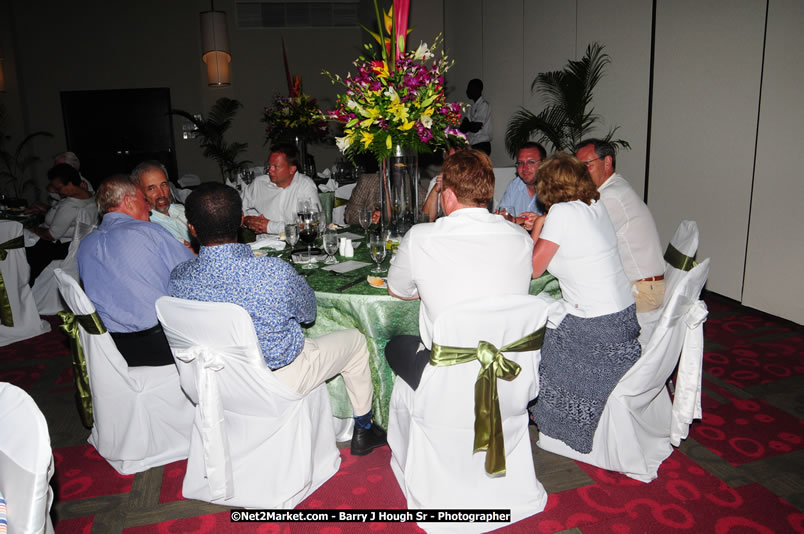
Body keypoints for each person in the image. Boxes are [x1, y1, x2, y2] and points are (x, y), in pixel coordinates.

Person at [170, 182, 387, 456]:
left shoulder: (179, 277)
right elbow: (309, 314)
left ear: (191, 228)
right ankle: (365, 429)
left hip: (212, 382)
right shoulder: (272, 271)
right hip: (275, 381)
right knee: (355, 342)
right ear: (240, 221)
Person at [385, 149, 533, 389]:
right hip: (510, 362)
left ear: (449, 195)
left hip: (449, 372)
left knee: (394, 346)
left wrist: (428, 287)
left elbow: (398, 290)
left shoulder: (421, 238)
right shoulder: (521, 238)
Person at [527, 153, 641, 454]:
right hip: (625, 319)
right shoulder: (595, 205)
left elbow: (533, 269)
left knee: (537, 336)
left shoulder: (562, 214)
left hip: (598, 332)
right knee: (548, 313)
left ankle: (558, 426)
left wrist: (539, 225)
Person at [77, 174, 194, 367]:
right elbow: (193, 274)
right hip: (161, 345)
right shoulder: (150, 232)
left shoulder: (85, 245)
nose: (148, 207)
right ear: (128, 201)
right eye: (143, 200)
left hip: (111, 349)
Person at [575, 139, 665, 312]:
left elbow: (582, 239)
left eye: (586, 165)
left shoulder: (611, 196)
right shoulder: (612, 187)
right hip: (640, 285)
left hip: (642, 292)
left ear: (607, 162)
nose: (580, 173)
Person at [26, 163, 97, 284]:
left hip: (61, 246)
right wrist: (46, 210)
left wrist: (31, 228)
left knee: (22, 248)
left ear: (70, 183)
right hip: (77, 243)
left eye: (58, 188)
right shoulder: (91, 196)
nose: (57, 192)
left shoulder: (69, 205)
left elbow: (51, 235)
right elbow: (66, 218)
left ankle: (24, 286)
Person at [241, 144, 320, 235]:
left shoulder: (305, 185)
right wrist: (246, 219)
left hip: (298, 244)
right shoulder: (259, 184)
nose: (270, 170)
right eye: (269, 165)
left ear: (292, 169)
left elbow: (314, 225)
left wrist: (270, 226)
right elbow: (236, 210)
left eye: (275, 166)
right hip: (265, 246)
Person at [130, 160, 191, 244]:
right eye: (151, 188)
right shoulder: (147, 227)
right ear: (140, 192)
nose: (161, 193)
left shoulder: (183, 210)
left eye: (164, 184)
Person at [496, 141, 547, 226]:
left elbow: (556, 224)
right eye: (520, 163)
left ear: (544, 163)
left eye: (531, 162)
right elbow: (501, 216)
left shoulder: (554, 188)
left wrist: (514, 220)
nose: (524, 168)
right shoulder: (515, 185)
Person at [459, 79, 492, 155]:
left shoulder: (484, 105)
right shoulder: (471, 108)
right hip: (472, 145)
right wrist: (470, 125)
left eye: (470, 88)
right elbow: (462, 129)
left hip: (481, 145)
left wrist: (468, 125)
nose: (467, 91)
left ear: (477, 89)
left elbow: (476, 127)